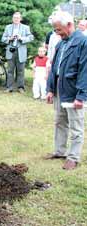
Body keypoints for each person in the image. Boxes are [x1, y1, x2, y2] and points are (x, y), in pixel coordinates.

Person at [46, 11, 87, 170]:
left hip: (73, 91)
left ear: (69, 25)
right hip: (59, 90)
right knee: (59, 122)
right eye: (55, 30)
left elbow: (85, 71)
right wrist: (50, 89)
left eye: (58, 29)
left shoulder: (83, 43)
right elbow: (54, 67)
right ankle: (59, 151)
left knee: (76, 125)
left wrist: (81, 95)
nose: (57, 33)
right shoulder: (60, 43)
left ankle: (73, 157)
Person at [1, 12, 34, 93]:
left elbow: (31, 37)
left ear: (20, 19)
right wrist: (10, 38)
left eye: (17, 18)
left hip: (21, 51)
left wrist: (21, 38)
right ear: (12, 19)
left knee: (20, 71)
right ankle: (9, 87)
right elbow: (3, 38)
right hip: (11, 51)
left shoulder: (25, 27)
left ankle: (20, 87)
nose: (16, 19)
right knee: (10, 71)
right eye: (14, 17)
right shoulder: (8, 27)